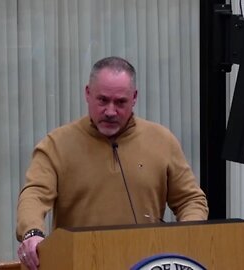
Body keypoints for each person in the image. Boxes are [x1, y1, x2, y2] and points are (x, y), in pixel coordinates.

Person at [16, 56, 208, 270]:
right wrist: (32, 232)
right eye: (102, 100)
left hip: (147, 262)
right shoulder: (56, 144)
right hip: (80, 262)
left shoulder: (162, 141)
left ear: (134, 98)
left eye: (120, 102)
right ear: (87, 94)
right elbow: (34, 194)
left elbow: (191, 199)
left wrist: (189, 235)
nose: (110, 111)